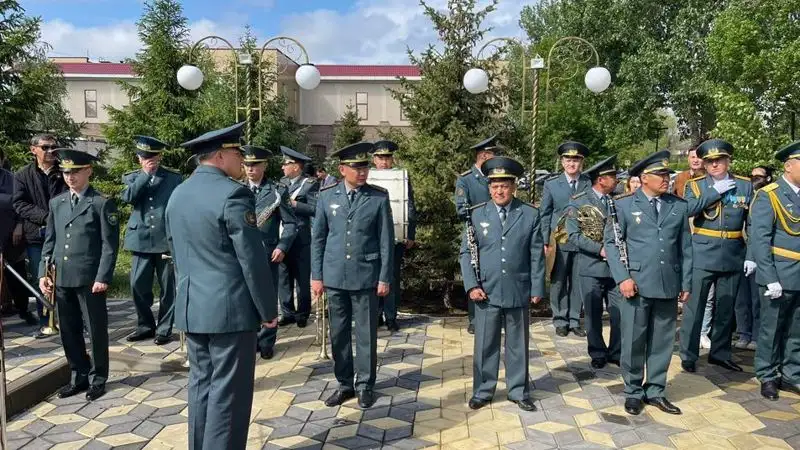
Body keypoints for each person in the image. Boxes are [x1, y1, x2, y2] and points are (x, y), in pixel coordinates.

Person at [165, 122, 278, 449]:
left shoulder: (178, 194)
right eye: (236, 153)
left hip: (192, 308)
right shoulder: (233, 194)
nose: (241, 159)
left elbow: (175, 250)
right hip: (230, 312)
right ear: (219, 156)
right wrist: (268, 310)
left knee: (201, 387)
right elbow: (252, 260)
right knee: (229, 395)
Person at [604, 150, 692, 416]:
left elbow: (685, 248)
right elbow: (612, 244)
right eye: (661, 175)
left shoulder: (677, 206)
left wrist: (686, 282)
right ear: (644, 178)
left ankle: (655, 390)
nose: (666, 179)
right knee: (633, 340)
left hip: (667, 283)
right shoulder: (623, 206)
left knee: (662, 341)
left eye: (667, 174)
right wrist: (623, 278)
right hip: (637, 284)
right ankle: (632, 391)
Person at [311, 141, 394, 409]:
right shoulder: (326, 196)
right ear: (342, 169)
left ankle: (365, 384)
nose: (362, 172)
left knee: (366, 333)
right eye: (356, 168)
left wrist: (384, 277)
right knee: (338, 334)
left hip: (366, 276)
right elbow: (318, 239)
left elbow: (385, 241)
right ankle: (345, 383)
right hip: (334, 276)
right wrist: (316, 275)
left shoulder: (378, 198)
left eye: (365, 167)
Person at [460, 156, 544, 412]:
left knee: (518, 344)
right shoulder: (476, 215)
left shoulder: (529, 214)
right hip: (486, 290)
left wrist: (538, 288)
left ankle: (518, 390)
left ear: (513, 187)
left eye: (504, 186)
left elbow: (536, 253)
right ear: (489, 188)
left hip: (519, 288)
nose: (499, 191)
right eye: (494, 186)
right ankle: (483, 390)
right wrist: (471, 284)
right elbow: (466, 253)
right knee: (485, 343)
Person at [38, 149, 119, 401]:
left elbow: (109, 245)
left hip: (89, 278)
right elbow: (50, 241)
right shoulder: (57, 203)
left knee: (95, 330)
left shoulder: (100, 203)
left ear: (88, 171)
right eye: (65, 172)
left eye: (75, 172)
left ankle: (98, 378)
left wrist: (103, 276)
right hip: (62, 277)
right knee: (68, 330)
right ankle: (78, 375)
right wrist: (43, 272)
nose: (69, 177)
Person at [678, 139, 749, 374]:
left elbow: (753, 222)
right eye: (710, 162)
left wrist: (753, 255)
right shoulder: (696, 186)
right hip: (703, 252)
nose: (715, 165)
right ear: (705, 165)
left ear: (729, 160)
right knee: (694, 308)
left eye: (719, 160)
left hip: (732, 251)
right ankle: (688, 354)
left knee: (725, 307)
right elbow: (687, 210)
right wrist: (713, 192)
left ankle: (720, 353)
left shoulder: (744, 186)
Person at [120, 136, 183, 345]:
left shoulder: (174, 178)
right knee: (137, 284)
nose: (150, 160)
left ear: (160, 156)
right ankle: (145, 325)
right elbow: (128, 198)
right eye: (145, 157)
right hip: (140, 239)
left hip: (165, 238)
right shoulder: (131, 178)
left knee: (168, 287)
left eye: (154, 156)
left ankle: (164, 329)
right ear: (139, 158)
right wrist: (145, 175)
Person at [750, 141, 800, 401]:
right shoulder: (769, 194)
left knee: (796, 330)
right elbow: (759, 239)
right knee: (771, 329)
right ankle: (768, 375)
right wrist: (769, 278)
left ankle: (792, 374)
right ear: (788, 165)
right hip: (779, 273)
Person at [242, 145, 298, 360]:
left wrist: (282, 246)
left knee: (267, 298)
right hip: (243, 255)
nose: (250, 169)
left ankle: (266, 340)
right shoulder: (235, 189)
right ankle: (250, 337)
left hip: (268, 255)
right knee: (246, 297)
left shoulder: (277, 191)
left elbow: (291, 223)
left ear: (264, 166)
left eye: (255, 165)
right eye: (247, 165)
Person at [565, 155, 621, 370]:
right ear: (600, 179)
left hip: (616, 269)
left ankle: (616, 352)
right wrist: (600, 249)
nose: (616, 180)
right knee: (593, 313)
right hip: (591, 266)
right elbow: (574, 236)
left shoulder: (617, 201)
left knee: (618, 313)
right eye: (612, 176)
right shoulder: (579, 201)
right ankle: (597, 352)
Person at [13, 134, 68, 337]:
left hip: (64, 232)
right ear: (33, 149)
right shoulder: (22, 175)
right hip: (37, 235)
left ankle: (69, 320)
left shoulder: (64, 170)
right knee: (43, 278)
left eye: (54, 147)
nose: (50, 151)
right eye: (45, 147)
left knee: (65, 278)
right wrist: (46, 217)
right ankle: (46, 322)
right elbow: (19, 204)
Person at [540, 141, 591, 337]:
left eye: (576, 160)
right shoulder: (552, 184)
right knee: (558, 281)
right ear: (562, 162)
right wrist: (545, 240)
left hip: (582, 240)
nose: (572, 163)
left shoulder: (588, 183)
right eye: (568, 159)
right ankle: (560, 319)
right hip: (559, 241)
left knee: (578, 281)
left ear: (582, 162)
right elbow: (544, 214)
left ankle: (574, 319)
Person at [370, 140, 416, 332]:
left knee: (392, 277)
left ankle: (391, 316)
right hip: (371, 239)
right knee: (373, 278)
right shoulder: (368, 177)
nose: (384, 162)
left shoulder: (401, 177)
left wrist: (410, 233)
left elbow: (409, 206)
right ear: (374, 159)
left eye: (387, 158)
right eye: (381, 158)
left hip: (396, 238)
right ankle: (376, 315)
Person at [672, 146, 715, 349]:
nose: (696, 160)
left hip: (703, 236)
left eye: (699, 156)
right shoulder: (681, 178)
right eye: (692, 157)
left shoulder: (712, 179)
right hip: (683, 231)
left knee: (706, 294)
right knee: (684, 284)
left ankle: (703, 331)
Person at [454, 136, 497, 334]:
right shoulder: (466, 179)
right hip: (476, 231)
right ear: (484, 156)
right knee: (475, 272)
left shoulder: (495, 177)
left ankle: (496, 313)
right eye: (492, 155)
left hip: (498, 231)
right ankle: (474, 318)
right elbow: (461, 209)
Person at [278, 146, 318, 328]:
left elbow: (315, 209)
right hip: (283, 237)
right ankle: (287, 313)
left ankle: (302, 314)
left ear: (296, 166)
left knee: (302, 278)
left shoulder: (310, 184)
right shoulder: (281, 183)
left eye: (286, 164)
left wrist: (294, 204)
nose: (282, 167)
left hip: (301, 238)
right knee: (283, 277)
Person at [734, 166, 773, 350]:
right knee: (742, 299)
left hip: (761, 255)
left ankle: (756, 335)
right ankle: (744, 333)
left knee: (757, 299)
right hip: (743, 252)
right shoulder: (745, 202)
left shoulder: (768, 201)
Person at [1, 148, 35, 322]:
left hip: (11, 235)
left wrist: (20, 226)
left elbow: (22, 204)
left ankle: (23, 309)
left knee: (17, 275)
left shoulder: (12, 179)